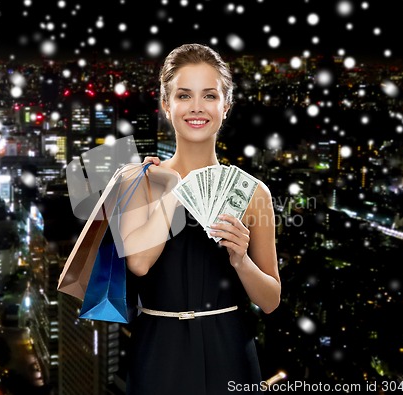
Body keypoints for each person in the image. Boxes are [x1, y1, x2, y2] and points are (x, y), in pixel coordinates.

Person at [119, 43, 281, 395]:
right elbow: (139, 264)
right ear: (166, 104)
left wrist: (241, 260)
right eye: (183, 95)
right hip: (158, 351)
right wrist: (173, 189)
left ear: (226, 105)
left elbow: (270, 299)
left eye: (209, 95)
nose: (196, 107)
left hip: (231, 350)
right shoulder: (137, 180)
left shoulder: (254, 193)